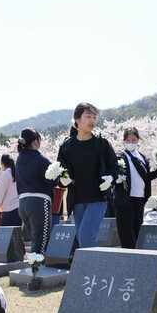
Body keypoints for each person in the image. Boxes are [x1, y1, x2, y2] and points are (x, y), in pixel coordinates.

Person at [56, 102, 119, 248]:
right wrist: (63, 179)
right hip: (77, 200)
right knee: (82, 238)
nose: (92, 121)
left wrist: (110, 178)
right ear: (77, 119)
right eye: (88, 116)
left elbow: (113, 166)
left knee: (86, 235)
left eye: (94, 117)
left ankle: (92, 270)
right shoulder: (66, 146)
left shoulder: (101, 143)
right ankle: (92, 269)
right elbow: (60, 170)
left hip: (98, 197)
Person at [114, 127, 157, 249]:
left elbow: (147, 177)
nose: (131, 142)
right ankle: (129, 256)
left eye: (134, 140)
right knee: (126, 230)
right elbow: (114, 170)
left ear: (138, 140)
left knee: (137, 228)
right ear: (124, 141)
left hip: (139, 198)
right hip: (125, 199)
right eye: (128, 140)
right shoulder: (120, 155)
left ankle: (137, 256)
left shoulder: (142, 157)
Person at [15, 128, 55, 254]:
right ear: (35, 142)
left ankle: (35, 267)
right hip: (38, 202)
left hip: (22, 203)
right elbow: (52, 180)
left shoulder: (19, 159)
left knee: (35, 240)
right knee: (42, 242)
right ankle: (38, 270)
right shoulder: (40, 159)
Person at [0, 154, 21, 227]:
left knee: (5, 236)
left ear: (2, 163)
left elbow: (0, 195)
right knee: (18, 235)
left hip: (9, 209)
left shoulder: (5, 175)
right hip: (20, 208)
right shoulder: (18, 173)